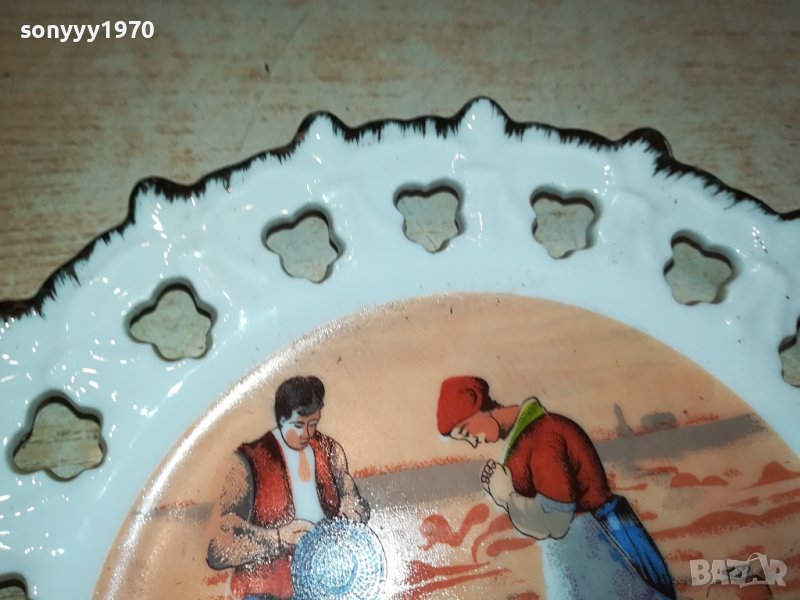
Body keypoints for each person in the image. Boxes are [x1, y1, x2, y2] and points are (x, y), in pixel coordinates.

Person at [437, 375, 675, 600]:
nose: (473, 442)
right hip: (580, 550)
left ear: (480, 408)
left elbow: (556, 519)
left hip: (595, 550)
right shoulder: (526, 437)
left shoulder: (543, 435)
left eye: (467, 432)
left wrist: (505, 496)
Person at [207, 375, 369, 600]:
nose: (307, 434)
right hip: (266, 591)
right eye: (298, 425)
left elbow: (353, 499)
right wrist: (279, 537)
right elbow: (217, 547)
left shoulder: (330, 450)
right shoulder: (246, 462)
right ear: (281, 419)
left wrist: (349, 514)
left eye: (313, 424)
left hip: (323, 583)